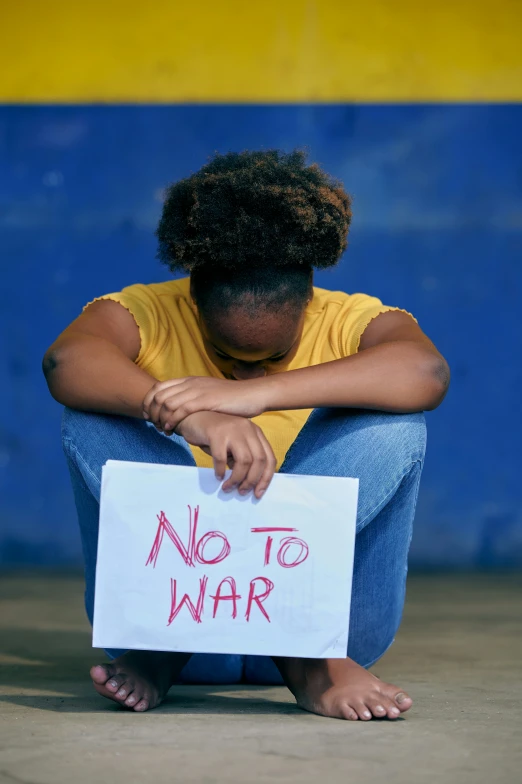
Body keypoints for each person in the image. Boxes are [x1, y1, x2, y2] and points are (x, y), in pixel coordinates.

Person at [43, 149, 449, 720]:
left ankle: (300, 654)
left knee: (392, 420)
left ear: (308, 300)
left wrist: (250, 396)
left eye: (271, 358)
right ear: (192, 298)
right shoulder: (146, 313)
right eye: (226, 357)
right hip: (172, 618)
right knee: (91, 412)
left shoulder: (351, 320)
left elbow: (426, 374)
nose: (244, 371)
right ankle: (166, 646)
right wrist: (193, 417)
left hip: (331, 633)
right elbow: (66, 363)